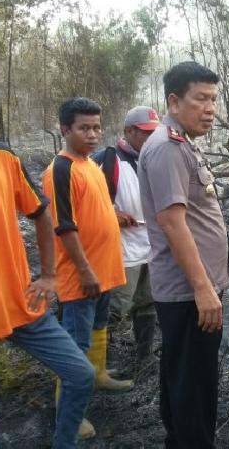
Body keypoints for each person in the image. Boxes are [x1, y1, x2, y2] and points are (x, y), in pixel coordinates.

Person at [139, 61, 229, 448]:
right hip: (188, 294)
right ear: (174, 101)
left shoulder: (181, 144)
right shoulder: (166, 149)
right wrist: (203, 288)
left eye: (213, 99)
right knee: (193, 385)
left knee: (183, 376)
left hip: (193, 292)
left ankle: (179, 439)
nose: (210, 108)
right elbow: (173, 224)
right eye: (201, 99)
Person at [0, 140, 94, 448]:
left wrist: (48, 275)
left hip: (19, 300)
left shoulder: (1, 155)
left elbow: (40, 211)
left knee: (80, 373)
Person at [42, 97, 133, 440]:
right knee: (73, 346)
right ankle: (70, 414)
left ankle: (98, 376)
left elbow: (94, 207)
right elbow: (63, 226)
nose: (93, 134)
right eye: (84, 128)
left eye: (96, 127)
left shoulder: (91, 164)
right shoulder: (60, 169)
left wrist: (115, 217)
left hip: (105, 269)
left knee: (97, 329)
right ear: (65, 129)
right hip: (82, 277)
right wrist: (84, 271)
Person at [93, 106, 159, 375]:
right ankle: (95, 367)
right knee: (114, 309)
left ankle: (144, 357)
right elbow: (85, 203)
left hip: (151, 249)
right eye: (145, 134)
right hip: (120, 252)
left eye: (154, 134)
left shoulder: (155, 158)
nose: (150, 139)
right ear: (129, 131)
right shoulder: (106, 161)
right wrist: (111, 213)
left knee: (147, 304)